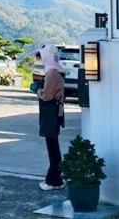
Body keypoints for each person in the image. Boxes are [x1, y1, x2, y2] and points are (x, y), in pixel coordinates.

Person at [31, 44, 66, 191]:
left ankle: (54, 180)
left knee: (52, 147)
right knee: (53, 145)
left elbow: (47, 96)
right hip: (54, 112)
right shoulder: (55, 71)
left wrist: (37, 89)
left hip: (51, 113)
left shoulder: (52, 74)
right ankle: (55, 178)